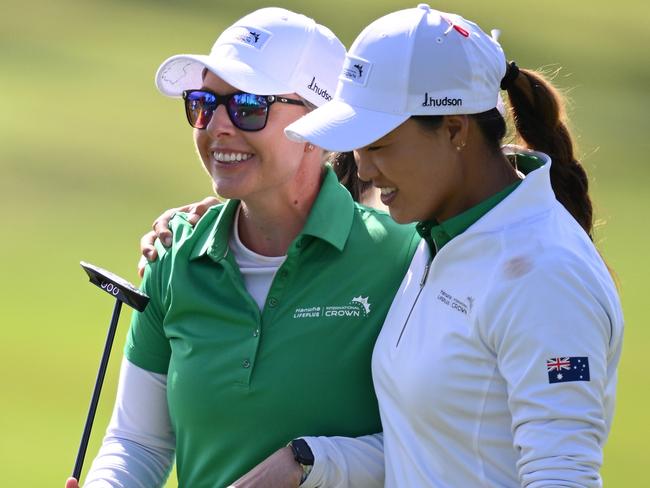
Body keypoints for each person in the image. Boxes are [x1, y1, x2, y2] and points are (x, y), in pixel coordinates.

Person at [216, 4, 623, 487]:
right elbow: (433, 447)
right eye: (357, 148)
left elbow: (561, 476)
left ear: (454, 129)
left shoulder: (544, 273)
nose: (363, 170)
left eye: (379, 145)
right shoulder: (439, 236)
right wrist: (308, 461)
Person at [66, 7, 419, 488]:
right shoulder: (174, 256)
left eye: (248, 106)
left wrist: (308, 463)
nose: (218, 126)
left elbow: (442, 446)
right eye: (204, 103)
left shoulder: (403, 257)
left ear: (322, 124)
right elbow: (139, 441)